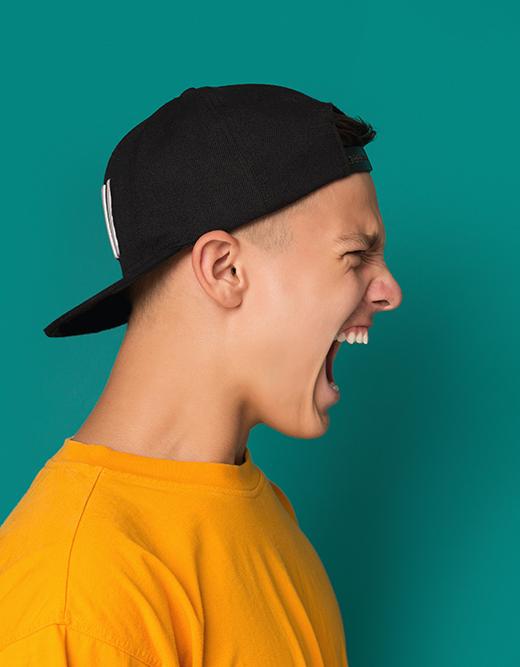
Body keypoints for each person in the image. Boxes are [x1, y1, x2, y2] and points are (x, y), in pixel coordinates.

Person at [0, 83, 401, 664]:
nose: (389, 290)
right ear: (225, 269)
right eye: (355, 256)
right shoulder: (77, 596)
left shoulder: (257, 508)